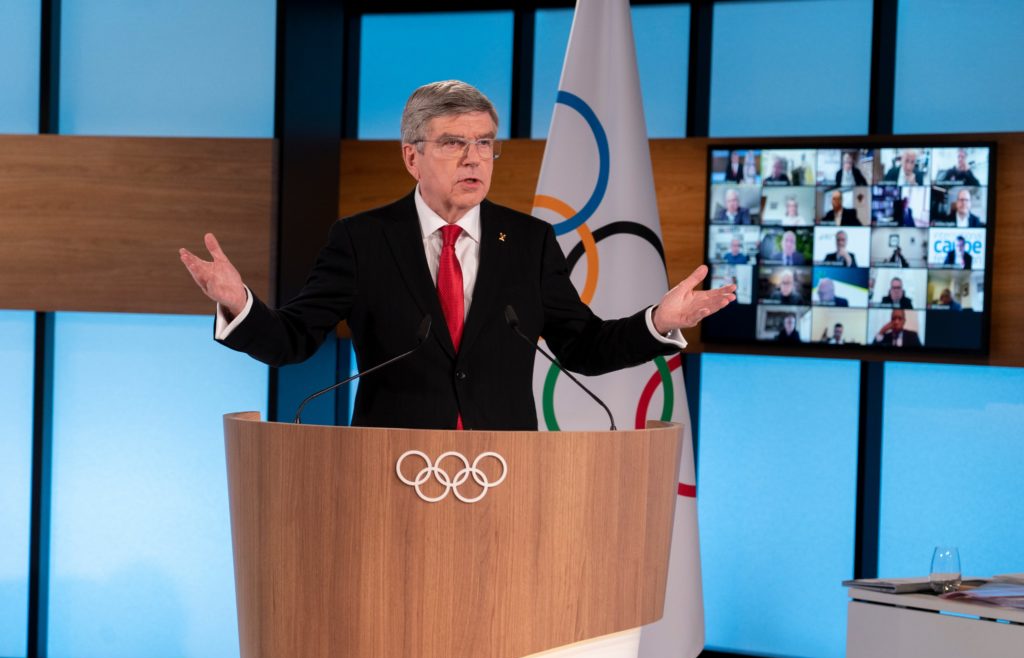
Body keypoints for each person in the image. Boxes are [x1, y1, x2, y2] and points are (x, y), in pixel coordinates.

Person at [179, 80, 735, 431]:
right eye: (453, 143)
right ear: (412, 158)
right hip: (393, 469)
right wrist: (239, 304)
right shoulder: (362, 240)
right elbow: (294, 340)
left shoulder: (529, 241)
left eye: (484, 142)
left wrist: (658, 320)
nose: (474, 158)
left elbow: (583, 347)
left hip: (505, 468)